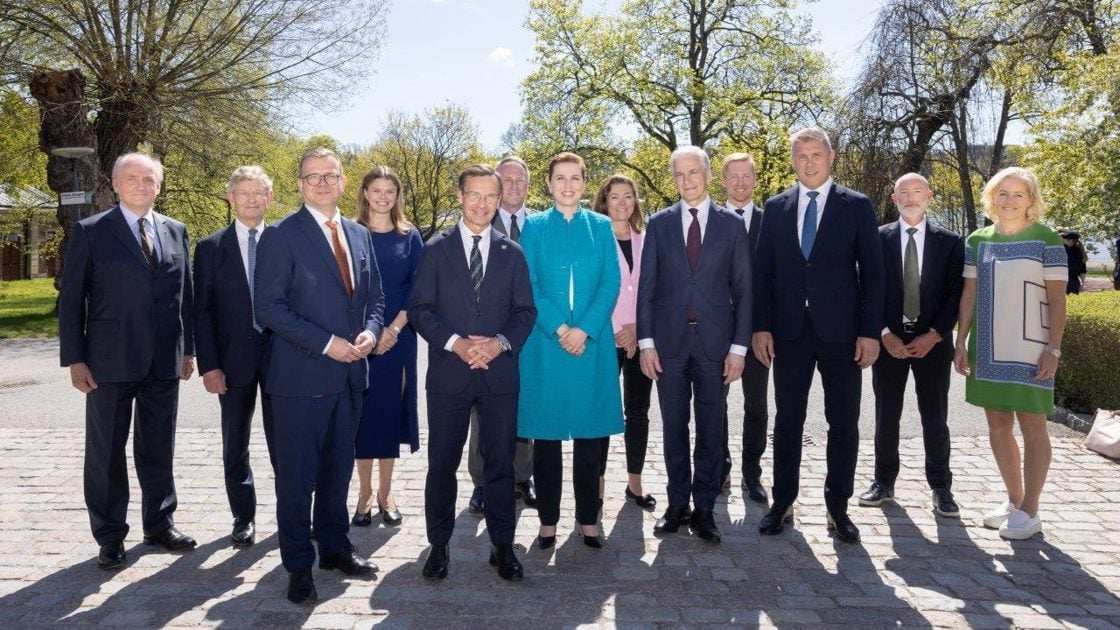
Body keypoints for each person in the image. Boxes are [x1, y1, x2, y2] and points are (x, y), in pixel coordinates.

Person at [254, 148, 385, 604]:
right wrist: (328, 343)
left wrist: (371, 332)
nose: (322, 183)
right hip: (299, 379)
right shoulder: (281, 235)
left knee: (337, 472)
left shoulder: (359, 234)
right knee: (296, 480)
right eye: (313, 177)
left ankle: (334, 548)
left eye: (330, 175)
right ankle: (298, 566)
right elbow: (268, 308)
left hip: (350, 377)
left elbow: (375, 299)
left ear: (344, 182)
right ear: (300, 185)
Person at [58, 152, 197, 571]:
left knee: (158, 447)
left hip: (164, 360)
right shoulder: (90, 231)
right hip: (108, 361)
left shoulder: (175, 230)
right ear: (115, 185)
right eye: (132, 178)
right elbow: (71, 301)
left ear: (159, 186)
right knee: (106, 453)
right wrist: (75, 359)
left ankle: (160, 524)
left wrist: (188, 349)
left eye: (149, 179)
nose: (141, 185)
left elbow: (186, 296)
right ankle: (110, 536)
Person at [752, 127, 884, 544]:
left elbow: (874, 274)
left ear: (831, 157)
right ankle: (782, 503)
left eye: (815, 155)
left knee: (843, 421)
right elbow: (763, 272)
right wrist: (760, 326)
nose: (808, 163)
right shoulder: (776, 207)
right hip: (789, 332)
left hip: (842, 335)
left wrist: (870, 332)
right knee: (787, 420)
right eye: (801, 156)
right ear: (793, 161)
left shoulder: (856, 206)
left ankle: (837, 508)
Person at [409, 164, 536, 582]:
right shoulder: (436, 249)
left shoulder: (512, 253)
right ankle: (439, 545)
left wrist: (498, 344)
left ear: (499, 201)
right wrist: (457, 344)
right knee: (442, 463)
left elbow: (525, 312)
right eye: (474, 195)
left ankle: (503, 547)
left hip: (499, 376)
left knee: (501, 465)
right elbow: (420, 310)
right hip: (450, 374)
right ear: (460, 197)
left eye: (490, 196)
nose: (482, 204)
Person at [637, 146, 752, 545]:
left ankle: (704, 509)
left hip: (715, 345)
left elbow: (745, 290)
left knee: (710, 429)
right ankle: (676, 505)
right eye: (679, 174)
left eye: (693, 172)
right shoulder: (659, 223)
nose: (686, 180)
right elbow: (647, 287)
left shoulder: (731, 225)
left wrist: (738, 349)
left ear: (707, 175)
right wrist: (646, 343)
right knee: (673, 428)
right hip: (667, 344)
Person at [953, 166, 1067, 540]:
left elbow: (1057, 300)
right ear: (992, 197)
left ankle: (1031, 510)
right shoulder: (977, 240)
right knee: (998, 425)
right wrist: (960, 341)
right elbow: (969, 293)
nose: (1010, 201)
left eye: (1019, 194)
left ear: (1030, 199)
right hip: (987, 347)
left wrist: (1053, 350)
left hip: (1033, 349)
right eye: (1003, 193)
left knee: (1033, 427)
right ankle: (1014, 501)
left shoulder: (1046, 238)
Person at [518, 152, 623, 550]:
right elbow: (528, 284)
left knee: (589, 437)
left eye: (574, 178)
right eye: (559, 178)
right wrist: (562, 328)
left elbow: (610, 283)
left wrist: (585, 330)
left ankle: (588, 519)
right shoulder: (534, 227)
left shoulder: (601, 226)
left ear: (584, 182)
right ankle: (547, 521)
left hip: (591, 345)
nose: (567, 185)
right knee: (546, 440)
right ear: (548, 183)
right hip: (547, 344)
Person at [858, 173, 964, 518]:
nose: (910, 197)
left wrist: (934, 334)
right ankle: (883, 482)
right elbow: (866, 289)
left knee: (935, 417)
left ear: (929, 196)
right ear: (894, 199)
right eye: (903, 192)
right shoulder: (877, 238)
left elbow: (955, 295)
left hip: (933, 342)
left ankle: (941, 487)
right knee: (886, 415)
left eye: (917, 191)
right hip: (889, 341)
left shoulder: (950, 242)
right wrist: (883, 333)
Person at [193, 165, 278, 548]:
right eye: (244, 193)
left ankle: (293, 514)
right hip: (231, 362)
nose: (251, 200)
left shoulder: (284, 241)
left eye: (258, 193)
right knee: (235, 444)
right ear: (231, 199)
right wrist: (210, 366)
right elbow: (202, 312)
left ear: (269, 198)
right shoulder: (210, 248)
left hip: (282, 359)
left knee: (287, 442)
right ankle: (243, 517)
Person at [350, 165, 423, 528]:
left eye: (389, 191)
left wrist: (392, 330)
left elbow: (418, 289)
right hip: (359, 339)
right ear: (365, 193)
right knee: (364, 418)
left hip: (399, 336)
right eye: (376, 190)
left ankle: (386, 492)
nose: (382, 197)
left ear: (397, 196)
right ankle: (364, 493)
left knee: (390, 415)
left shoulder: (410, 237)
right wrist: (370, 333)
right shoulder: (349, 233)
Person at [465, 155, 537, 514]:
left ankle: (522, 477)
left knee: (525, 405)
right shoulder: (478, 221)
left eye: (520, 180)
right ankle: (481, 481)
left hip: (530, 332)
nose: (514, 186)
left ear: (529, 185)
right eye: (506, 180)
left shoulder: (539, 225)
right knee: (483, 410)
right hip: (485, 338)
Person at [592, 173, 656, 509]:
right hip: (605, 337)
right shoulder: (594, 240)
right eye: (615, 196)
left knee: (639, 412)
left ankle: (635, 482)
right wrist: (620, 328)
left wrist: (637, 329)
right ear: (604, 201)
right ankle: (598, 486)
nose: (622, 202)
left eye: (628, 196)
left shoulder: (648, 239)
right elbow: (591, 291)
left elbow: (656, 289)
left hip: (642, 339)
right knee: (601, 412)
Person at [719, 152, 771, 504]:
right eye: (733, 176)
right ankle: (719, 468)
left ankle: (752, 473)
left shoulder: (772, 222)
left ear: (755, 179)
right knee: (715, 404)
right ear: (723, 180)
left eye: (746, 176)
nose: (740, 183)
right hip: (717, 330)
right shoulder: (711, 220)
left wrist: (766, 327)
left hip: (758, 332)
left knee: (756, 405)